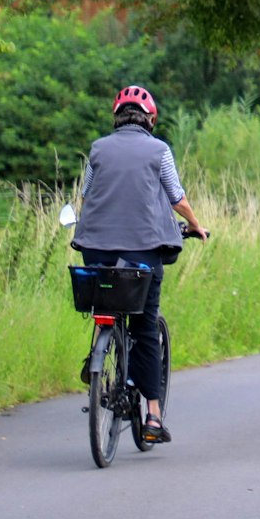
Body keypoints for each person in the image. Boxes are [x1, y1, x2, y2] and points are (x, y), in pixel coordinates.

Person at [70, 85, 210, 446]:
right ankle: (153, 416)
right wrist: (195, 225)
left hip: (94, 250)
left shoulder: (98, 149)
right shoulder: (159, 150)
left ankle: (98, 354)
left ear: (117, 117)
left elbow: (86, 194)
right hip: (142, 253)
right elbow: (176, 198)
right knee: (145, 326)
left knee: (105, 302)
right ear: (151, 119)